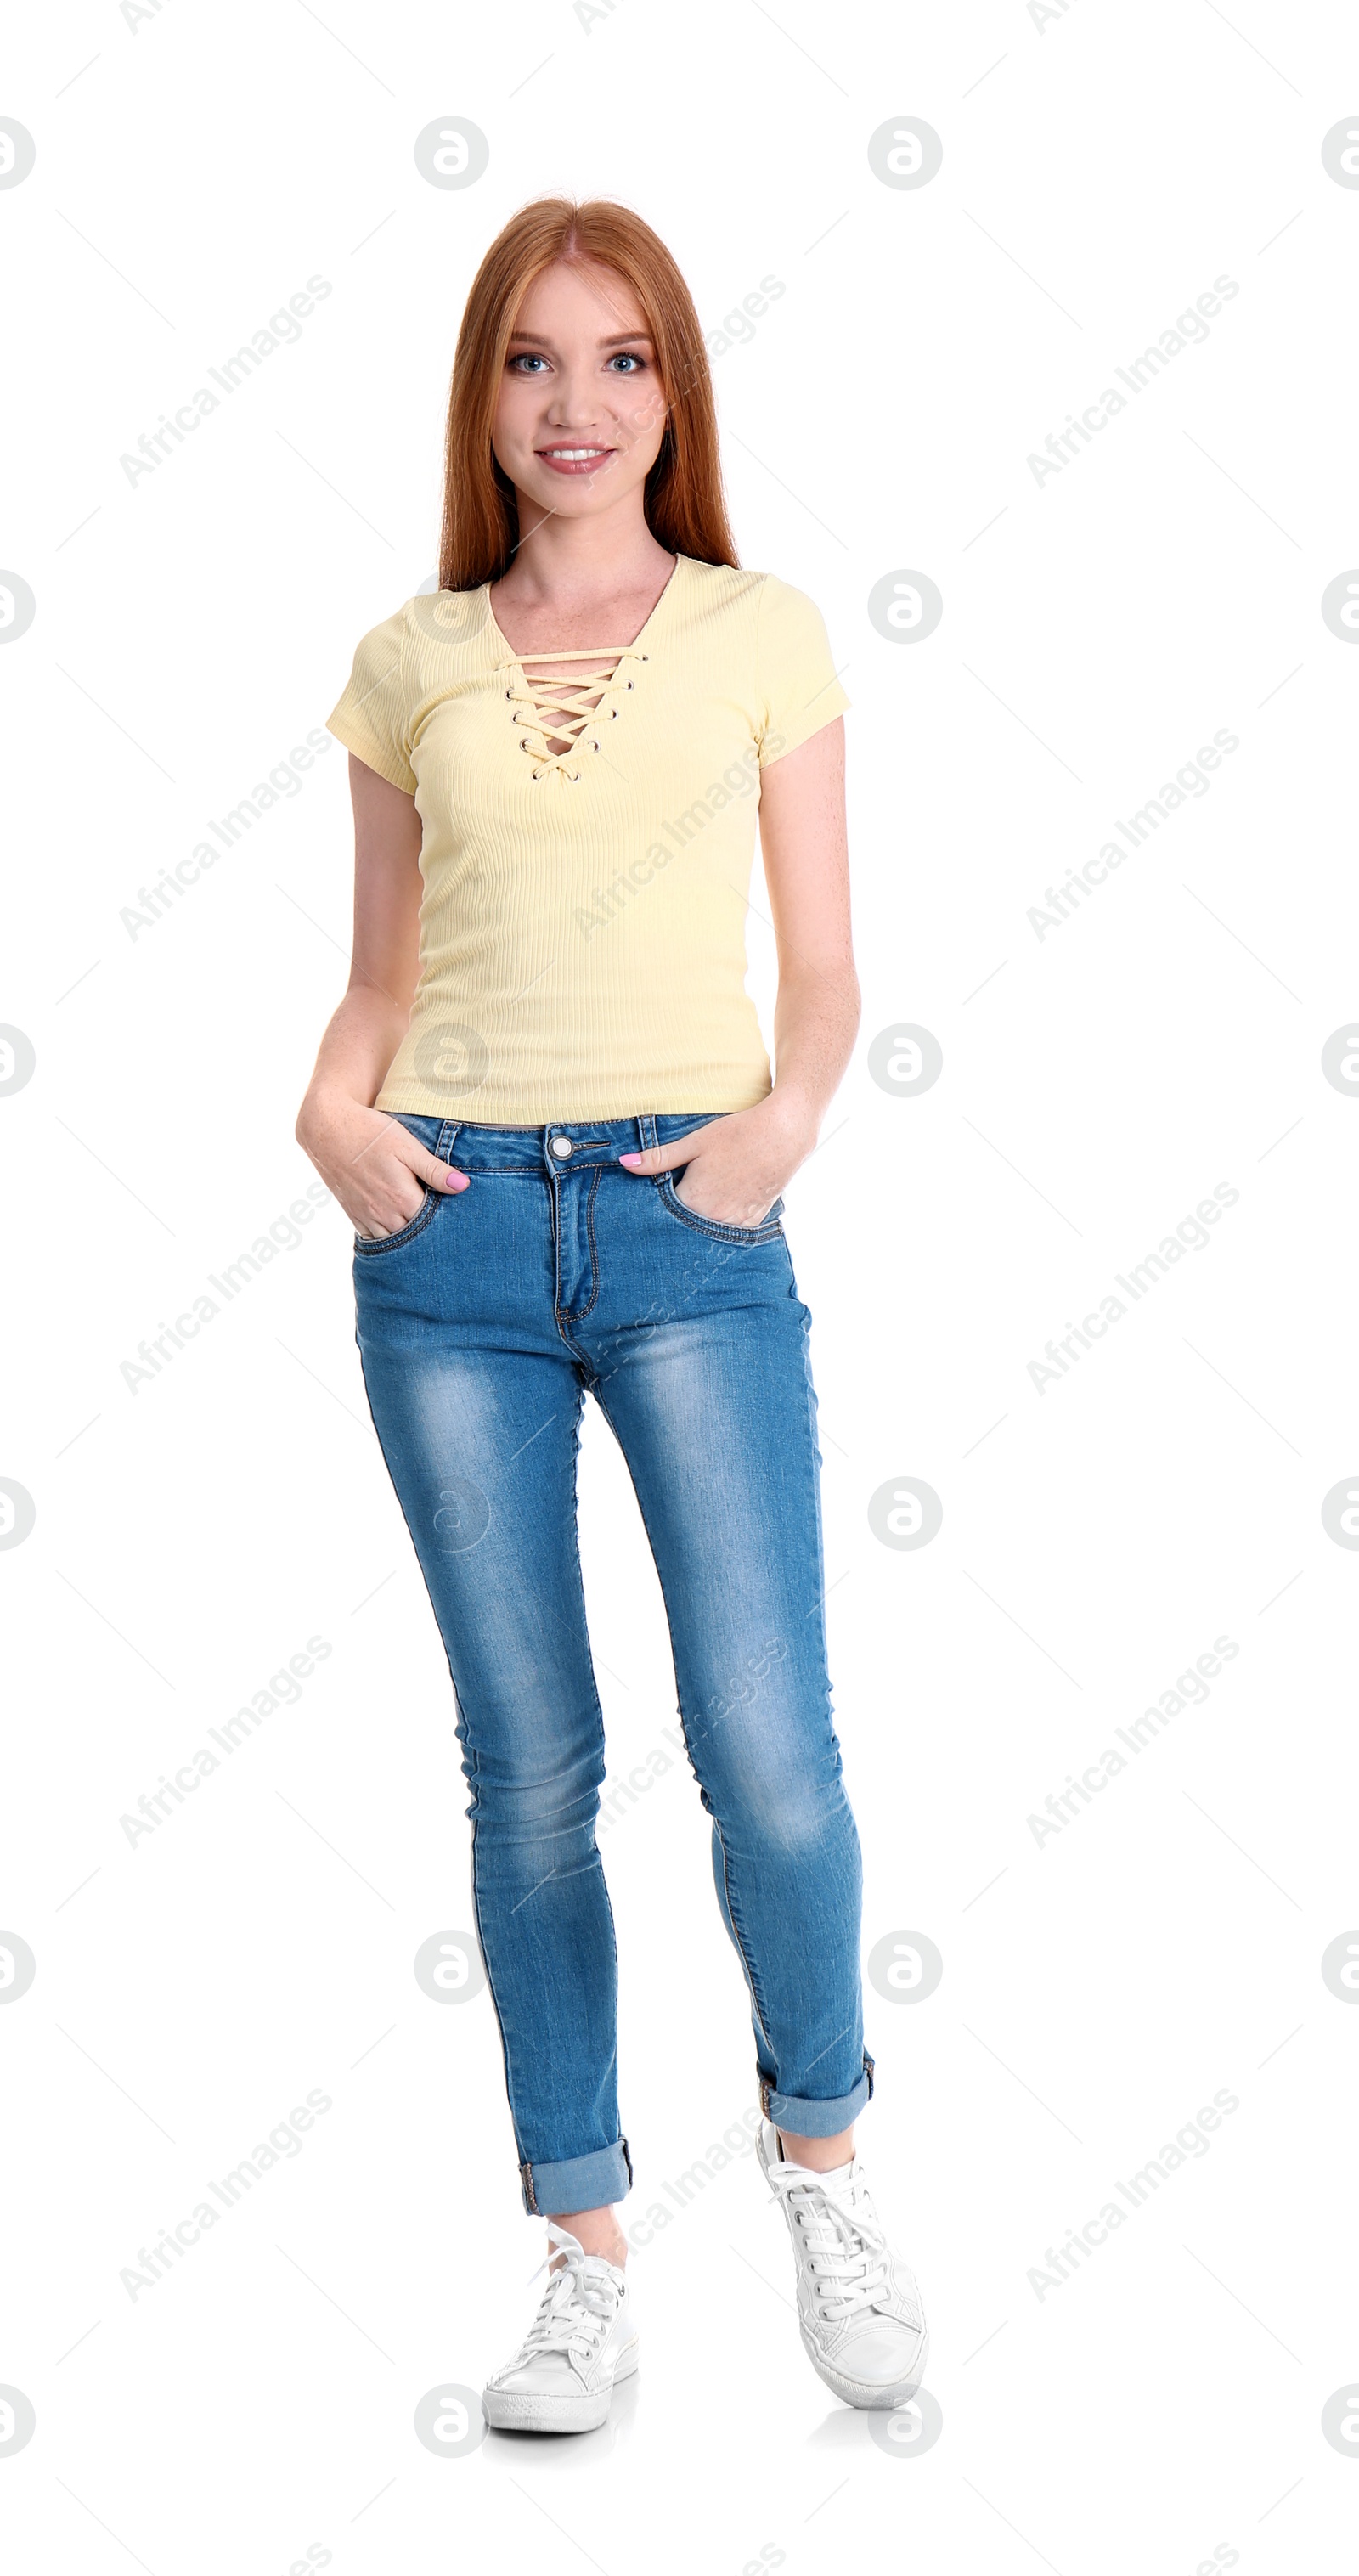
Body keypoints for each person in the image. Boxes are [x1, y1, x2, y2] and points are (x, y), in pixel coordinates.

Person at [296, 195, 927, 2433]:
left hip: (687, 1222)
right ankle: (581, 2251)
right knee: (531, 1774)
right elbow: (383, 975)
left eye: (626, 359)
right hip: (447, 1242)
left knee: (768, 1747)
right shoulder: (407, 661)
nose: (581, 405)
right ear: (487, 395)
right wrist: (325, 1113)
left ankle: (825, 2157)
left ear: (677, 390)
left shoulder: (760, 632)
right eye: (538, 361)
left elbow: (830, 964)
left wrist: (778, 1129)